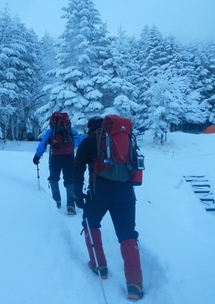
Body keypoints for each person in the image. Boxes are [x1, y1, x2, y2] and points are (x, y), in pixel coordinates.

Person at [73, 116, 144, 301]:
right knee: (127, 233)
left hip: (100, 190)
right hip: (125, 191)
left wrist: (78, 193)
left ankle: (99, 265)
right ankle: (134, 284)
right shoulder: (126, 139)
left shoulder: (90, 140)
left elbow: (78, 167)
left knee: (91, 222)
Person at [33, 113, 82, 215]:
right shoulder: (70, 131)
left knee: (54, 178)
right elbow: (81, 141)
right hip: (69, 158)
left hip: (55, 158)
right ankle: (70, 206)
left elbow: (42, 144)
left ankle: (56, 201)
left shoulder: (51, 132)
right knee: (69, 180)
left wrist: (37, 156)